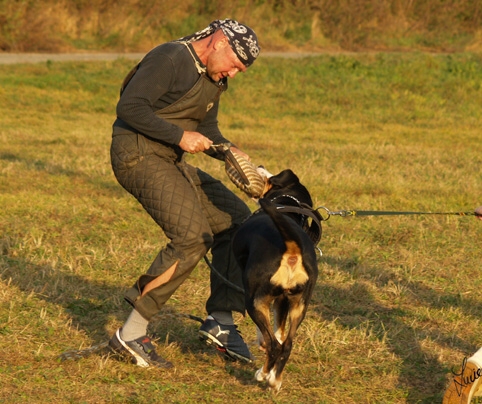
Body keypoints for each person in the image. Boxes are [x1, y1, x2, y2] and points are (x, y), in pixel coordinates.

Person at [108, 19, 261, 368]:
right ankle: (130, 334)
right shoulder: (170, 58)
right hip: (136, 154)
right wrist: (179, 137)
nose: (234, 75)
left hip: (167, 158)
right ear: (219, 42)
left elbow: (206, 128)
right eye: (236, 65)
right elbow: (130, 108)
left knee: (239, 222)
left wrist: (232, 152)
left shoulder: (214, 78)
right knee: (191, 239)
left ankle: (222, 320)